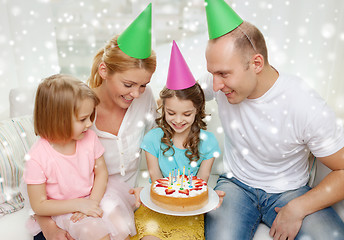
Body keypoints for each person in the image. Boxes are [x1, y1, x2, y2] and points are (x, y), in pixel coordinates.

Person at [202, 0, 344, 240]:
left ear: (256, 63)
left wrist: (298, 208)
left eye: (223, 74)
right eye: (211, 74)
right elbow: (177, 94)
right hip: (235, 185)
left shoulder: (304, 104)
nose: (215, 86)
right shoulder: (220, 82)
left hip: (290, 192)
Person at [32, 4, 157, 240]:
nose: (137, 94)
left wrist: (152, 186)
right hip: (74, 207)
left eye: (143, 85)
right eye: (128, 85)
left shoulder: (145, 99)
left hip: (118, 202)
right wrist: (49, 228)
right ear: (104, 70)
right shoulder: (76, 106)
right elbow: (45, 169)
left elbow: (159, 143)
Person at [132, 41, 221, 240]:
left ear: (197, 111)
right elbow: (156, 179)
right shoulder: (152, 139)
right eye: (171, 112)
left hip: (189, 212)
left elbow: (202, 182)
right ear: (162, 108)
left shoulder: (208, 142)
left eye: (187, 114)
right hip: (156, 207)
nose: (178, 120)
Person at [24, 74, 128, 240]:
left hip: (93, 197)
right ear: (58, 119)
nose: (89, 124)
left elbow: (101, 173)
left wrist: (92, 202)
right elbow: (39, 205)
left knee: (118, 220)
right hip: (61, 210)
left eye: (90, 117)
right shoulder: (37, 157)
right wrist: (79, 205)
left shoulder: (90, 138)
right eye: (83, 119)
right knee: (93, 230)